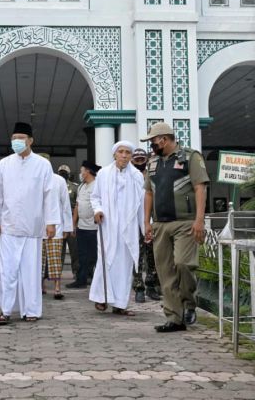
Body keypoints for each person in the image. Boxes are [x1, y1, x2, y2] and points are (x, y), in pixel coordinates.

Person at [0, 122, 60, 325]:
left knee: (30, 270)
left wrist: (52, 222)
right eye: (14, 138)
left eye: (21, 138)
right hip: (9, 226)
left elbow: (49, 194)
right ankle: (6, 310)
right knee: (8, 270)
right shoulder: (4, 164)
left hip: (33, 227)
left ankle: (31, 310)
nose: (17, 142)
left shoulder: (42, 164)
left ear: (30, 141)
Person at [142, 122, 210, 333]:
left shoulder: (190, 157)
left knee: (182, 264)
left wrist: (200, 220)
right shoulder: (152, 163)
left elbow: (200, 188)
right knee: (165, 271)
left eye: (153, 141)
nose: (151, 145)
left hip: (185, 222)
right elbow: (149, 193)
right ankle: (174, 317)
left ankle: (189, 303)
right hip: (161, 224)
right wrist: (147, 222)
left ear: (164, 139)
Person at [89, 141, 144, 316]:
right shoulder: (103, 174)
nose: (124, 155)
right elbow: (95, 197)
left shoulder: (136, 176)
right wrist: (97, 210)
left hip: (128, 227)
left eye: (128, 152)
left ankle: (120, 304)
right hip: (108, 225)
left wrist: (145, 227)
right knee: (105, 260)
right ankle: (101, 298)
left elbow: (142, 204)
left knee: (125, 265)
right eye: (121, 152)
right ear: (115, 154)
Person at [131, 148, 162, 303]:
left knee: (152, 256)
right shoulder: (129, 176)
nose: (139, 162)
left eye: (142, 160)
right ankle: (138, 287)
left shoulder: (154, 174)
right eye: (136, 160)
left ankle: (151, 286)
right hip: (134, 221)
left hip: (152, 220)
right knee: (136, 255)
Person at [41, 161, 73, 300]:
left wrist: (67, 226)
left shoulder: (59, 180)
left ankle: (57, 288)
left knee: (55, 259)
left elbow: (65, 204)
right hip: (36, 227)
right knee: (38, 260)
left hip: (56, 225)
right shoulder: (33, 179)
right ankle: (40, 286)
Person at [66, 160, 100, 289]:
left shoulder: (97, 185)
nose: (80, 173)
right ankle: (81, 280)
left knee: (94, 256)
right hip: (82, 227)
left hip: (94, 228)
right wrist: (73, 224)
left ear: (88, 172)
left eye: (82, 171)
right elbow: (77, 206)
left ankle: (97, 280)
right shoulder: (81, 186)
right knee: (82, 255)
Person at [56, 164, 80, 279]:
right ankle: (57, 273)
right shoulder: (54, 186)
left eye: (64, 172)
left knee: (74, 249)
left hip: (71, 220)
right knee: (59, 250)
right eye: (61, 172)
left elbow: (78, 205)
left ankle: (76, 271)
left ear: (69, 174)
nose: (62, 174)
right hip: (59, 221)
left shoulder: (74, 187)